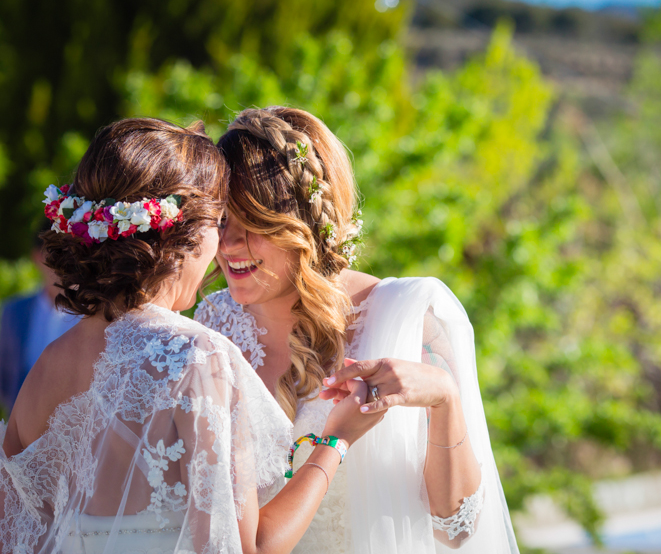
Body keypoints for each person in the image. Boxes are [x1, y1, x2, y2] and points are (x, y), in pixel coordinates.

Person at [0, 118, 384, 554]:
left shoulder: (47, 366)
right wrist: (337, 440)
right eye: (219, 221)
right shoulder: (195, 356)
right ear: (183, 234)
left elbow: (12, 534)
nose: (223, 243)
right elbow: (249, 546)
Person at [194, 106, 519, 553]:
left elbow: (457, 528)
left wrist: (445, 398)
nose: (229, 245)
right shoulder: (212, 322)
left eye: (252, 224)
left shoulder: (407, 318)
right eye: (221, 221)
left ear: (302, 225)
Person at [0, 224, 80, 414]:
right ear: (37, 256)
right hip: (23, 434)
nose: (65, 262)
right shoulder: (14, 311)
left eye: (73, 251)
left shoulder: (100, 314)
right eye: (56, 252)